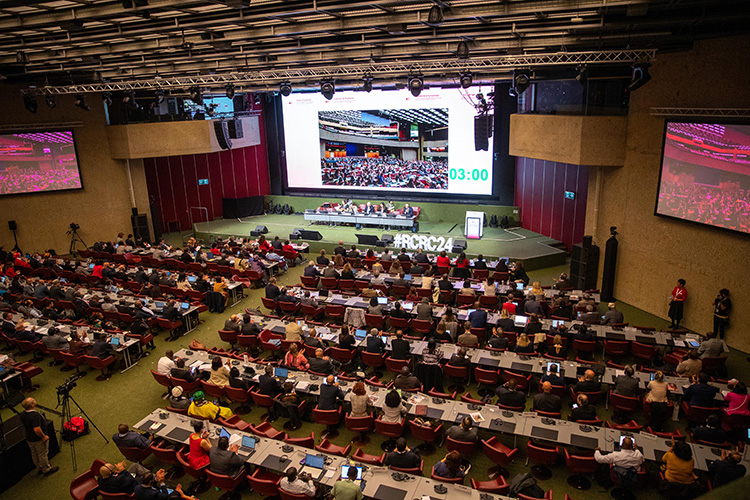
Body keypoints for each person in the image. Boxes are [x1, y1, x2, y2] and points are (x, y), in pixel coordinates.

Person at [20, 398, 59, 477]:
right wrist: (43, 437)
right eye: (32, 400)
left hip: (29, 438)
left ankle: (39, 468)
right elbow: (37, 429)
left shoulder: (23, 414)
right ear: (32, 405)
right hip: (38, 439)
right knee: (42, 454)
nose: (34, 400)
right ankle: (46, 469)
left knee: (34, 454)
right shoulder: (34, 416)